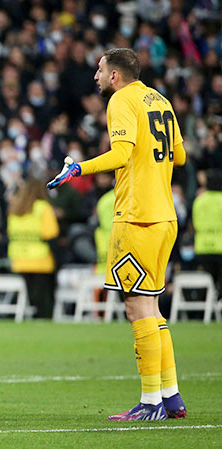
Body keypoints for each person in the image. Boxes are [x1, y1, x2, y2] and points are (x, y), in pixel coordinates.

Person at [47, 48, 187, 421]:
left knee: (137, 307)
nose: (95, 76)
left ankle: (150, 402)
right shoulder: (160, 99)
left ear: (115, 76)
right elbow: (180, 156)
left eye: (99, 69)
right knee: (152, 307)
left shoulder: (122, 100)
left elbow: (122, 153)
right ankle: (171, 397)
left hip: (137, 217)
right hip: (165, 216)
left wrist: (79, 168)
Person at [7, 178, 59, 319]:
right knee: (44, 301)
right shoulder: (43, 208)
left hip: (19, 260)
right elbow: (51, 235)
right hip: (40, 260)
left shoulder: (15, 208)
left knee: (30, 296)